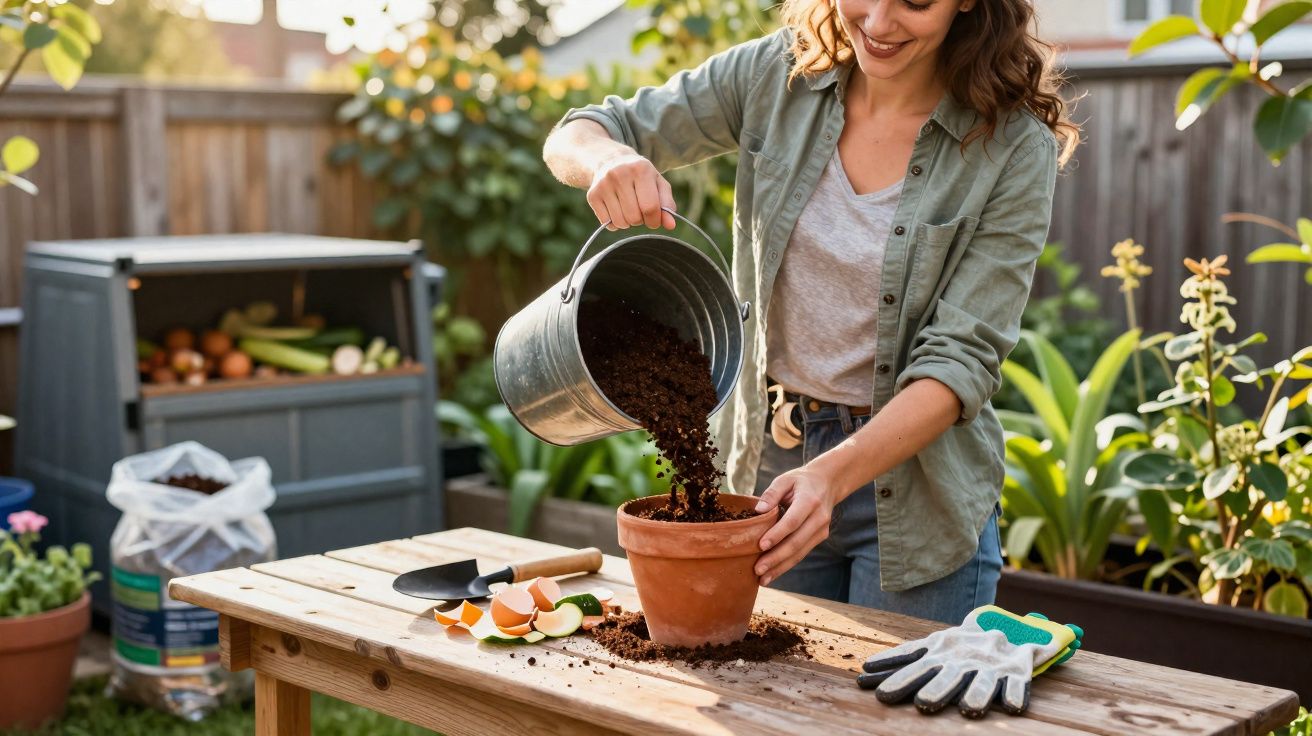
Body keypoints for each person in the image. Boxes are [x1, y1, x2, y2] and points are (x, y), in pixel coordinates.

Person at [542, 0, 1079, 625]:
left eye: (915, 3)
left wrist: (834, 475)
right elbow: (578, 131)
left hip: (919, 490)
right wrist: (607, 160)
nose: (878, 24)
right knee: (774, 705)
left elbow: (959, 362)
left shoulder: (1011, 147)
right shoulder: (776, 76)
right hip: (776, 465)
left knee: (896, 718)